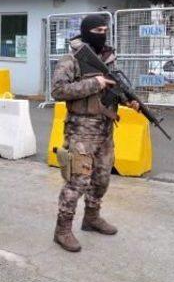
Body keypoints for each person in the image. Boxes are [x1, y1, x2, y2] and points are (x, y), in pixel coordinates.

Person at [51, 14, 138, 252]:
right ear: (87, 31)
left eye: (105, 29)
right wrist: (95, 83)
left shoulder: (108, 59)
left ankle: (91, 218)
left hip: (105, 130)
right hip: (81, 131)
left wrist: (127, 100)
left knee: (101, 180)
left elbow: (114, 88)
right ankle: (62, 229)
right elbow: (58, 91)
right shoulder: (71, 60)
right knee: (77, 181)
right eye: (98, 30)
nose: (103, 33)